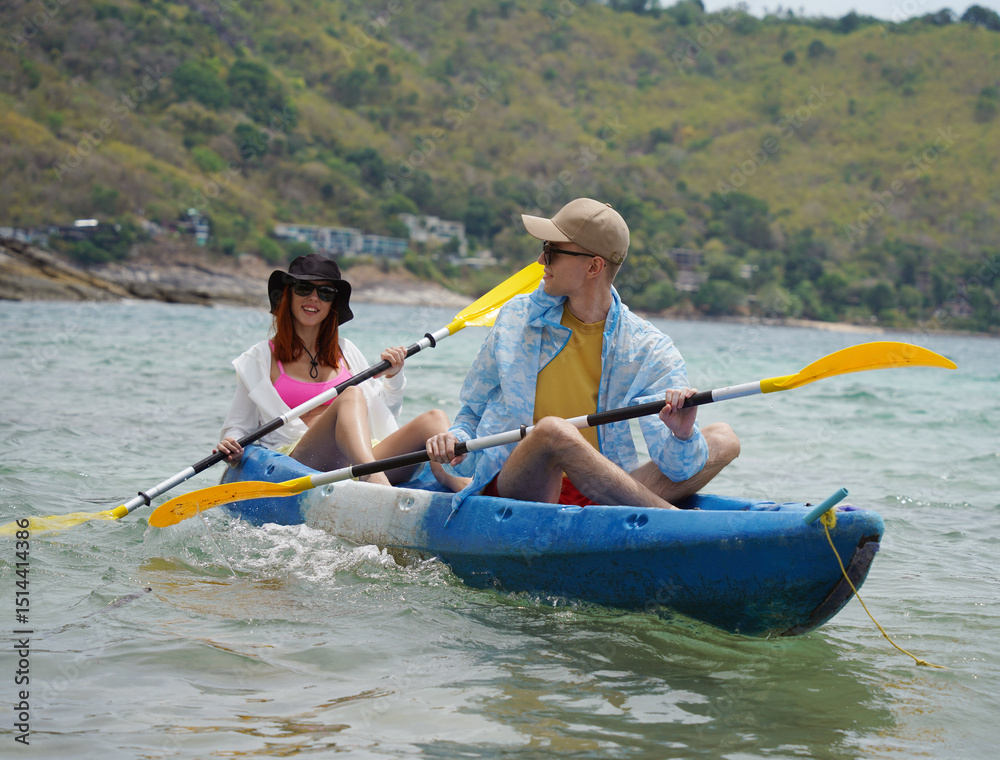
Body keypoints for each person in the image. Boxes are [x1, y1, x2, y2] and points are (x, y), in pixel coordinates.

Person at [426, 197, 740, 509]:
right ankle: (669, 518)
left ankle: (627, 510)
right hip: (518, 485)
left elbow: (679, 469)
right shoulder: (516, 319)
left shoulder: (650, 348)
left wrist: (682, 435)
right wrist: (456, 440)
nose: (539, 261)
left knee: (723, 438)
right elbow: (471, 414)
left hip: (600, 490)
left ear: (594, 266)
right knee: (552, 431)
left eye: (551, 251)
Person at [217, 253, 468, 491]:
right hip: (300, 462)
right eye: (304, 289)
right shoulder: (260, 358)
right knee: (350, 395)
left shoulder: (347, 351)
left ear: (332, 304)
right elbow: (238, 427)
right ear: (288, 295)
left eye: (325, 292)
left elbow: (382, 414)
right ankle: (374, 479)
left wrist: (394, 376)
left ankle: (456, 482)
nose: (314, 298)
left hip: (360, 456)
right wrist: (232, 443)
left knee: (434, 418)